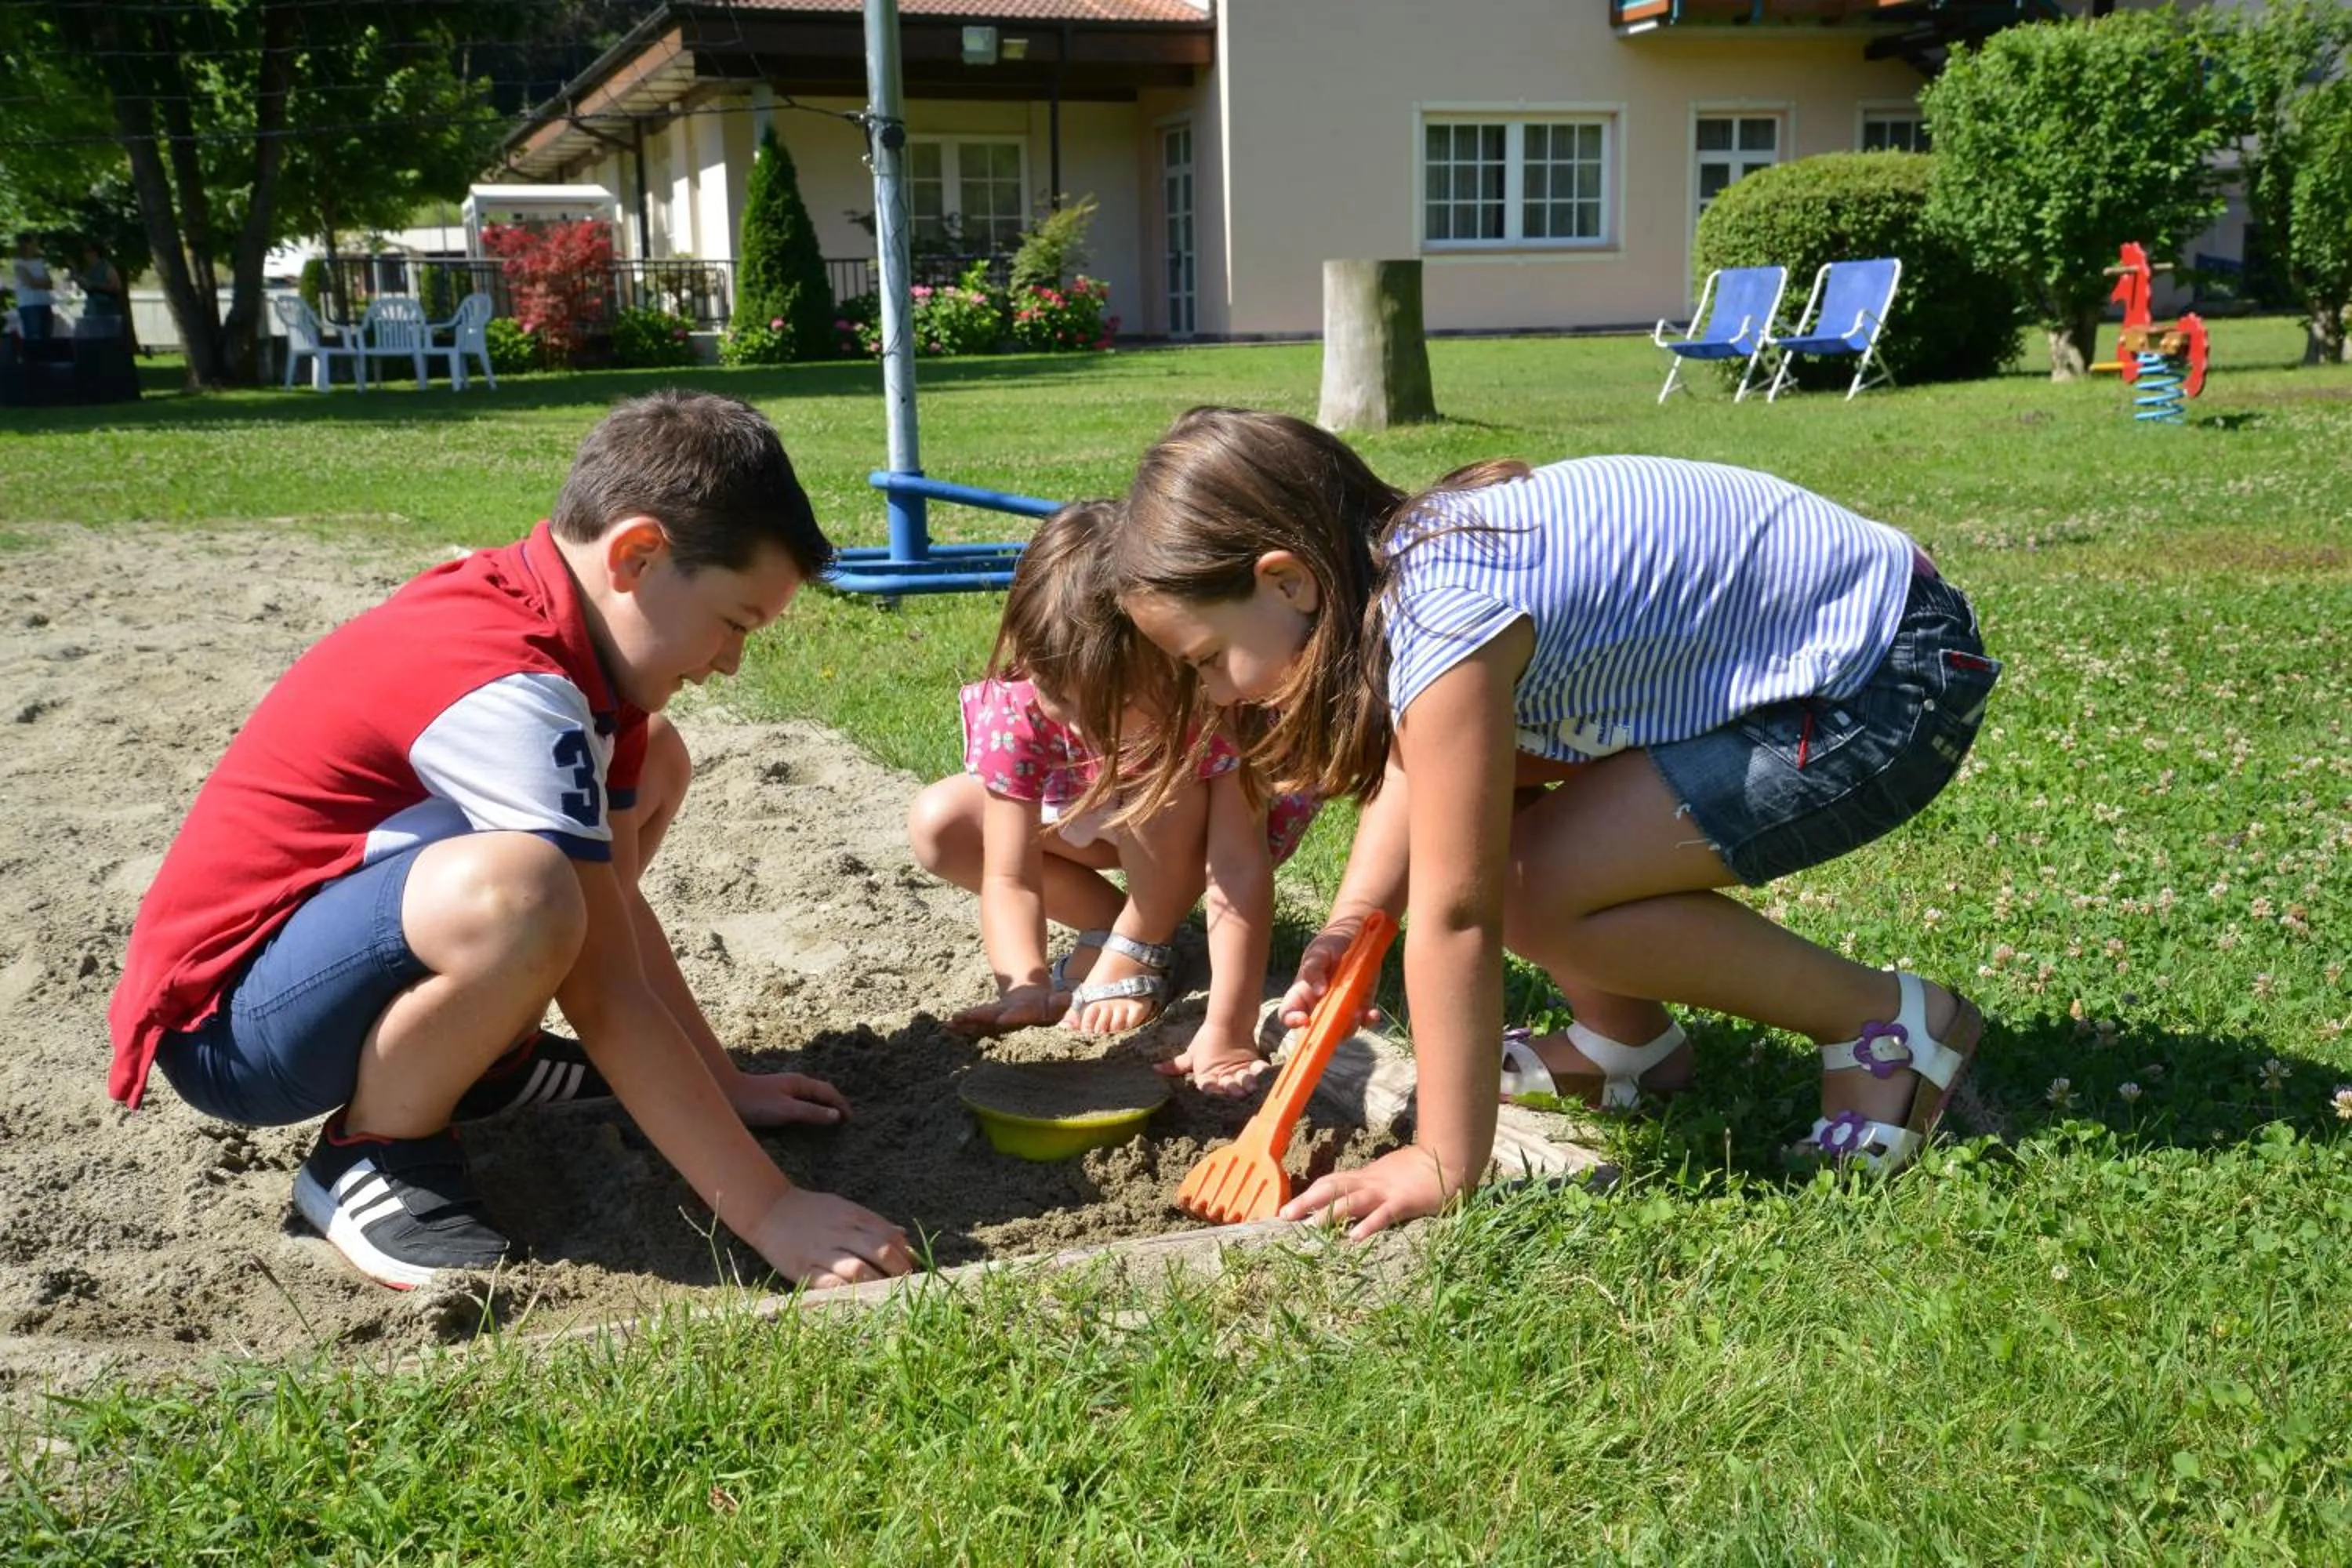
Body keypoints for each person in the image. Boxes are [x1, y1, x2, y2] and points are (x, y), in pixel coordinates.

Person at [1108, 406, 1999, 1236]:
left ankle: (1882, 1021)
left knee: (1526, 889)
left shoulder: (1440, 618)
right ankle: (1626, 1040)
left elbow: (1460, 915)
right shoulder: (1410, 566)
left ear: (1288, 579)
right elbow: (1423, 767)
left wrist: (1444, 1160)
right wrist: (1353, 921)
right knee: (1508, 822)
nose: (1221, 691)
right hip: (1839, 657)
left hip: (1882, 685)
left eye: (1210, 658)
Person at [111, 390, 915, 1292]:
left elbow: (611, 916)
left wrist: (718, 1079)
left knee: (647, 780)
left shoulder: (590, 656)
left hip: (323, 958)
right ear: (638, 554)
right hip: (233, 1026)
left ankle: (485, 1064)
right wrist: (771, 1210)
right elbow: (604, 987)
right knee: (522, 891)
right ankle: (373, 1147)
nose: (731, 659)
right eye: (735, 620)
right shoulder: (510, 679)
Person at [906, 500, 1320, 1095]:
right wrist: (1025, 985)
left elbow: (1236, 867)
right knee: (939, 823)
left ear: (1167, 663)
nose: (1081, 728)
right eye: (1060, 698)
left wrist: (1228, 1028)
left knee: (1156, 789)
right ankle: (1110, 927)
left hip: (1190, 826)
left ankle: (1144, 938)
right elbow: (1011, 876)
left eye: (1111, 706)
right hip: (1095, 820)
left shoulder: (1211, 706)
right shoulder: (1022, 701)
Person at [73, 239, 126, 338]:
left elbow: (117, 286)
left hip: (107, 308)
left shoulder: (106, 267)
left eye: (88, 251)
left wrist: (95, 286)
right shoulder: (87, 269)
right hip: (92, 308)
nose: (85, 254)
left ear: (95, 252)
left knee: (108, 338)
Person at [11, 235, 54, 341]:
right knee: (33, 336)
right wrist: (40, 282)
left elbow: (50, 284)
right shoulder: (19, 263)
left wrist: (37, 282)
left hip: (44, 302)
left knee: (47, 336)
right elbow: (30, 283)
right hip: (29, 304)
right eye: (33, 243)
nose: (36, 246)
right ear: (26, 244)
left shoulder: (40, 262)